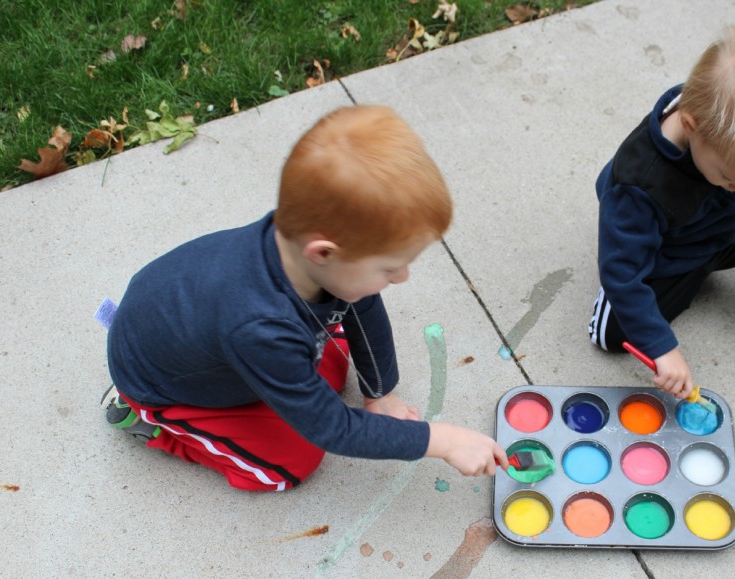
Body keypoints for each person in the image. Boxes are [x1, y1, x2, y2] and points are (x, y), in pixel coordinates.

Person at [102, 105, 507, 491]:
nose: (401, 278)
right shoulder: (259, 325)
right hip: (166, 387)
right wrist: (441, 440)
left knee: (334, 369)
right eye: (389, 268)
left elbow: (361, 305)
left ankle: (284, 387)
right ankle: (158, 428)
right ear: (324, 253)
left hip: (205, 340)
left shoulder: (305, 252)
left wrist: (378, 393)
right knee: (289, 464)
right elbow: (334, 431)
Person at [588, 26, 735, 398]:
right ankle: (645, 301)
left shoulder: (730, 121)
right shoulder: (639, 186)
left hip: (724, 225)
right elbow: (623, 276)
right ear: (690, 126)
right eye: (733, 176)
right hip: (671, 254)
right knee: (615, 332)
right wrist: (663, 351)